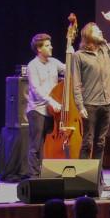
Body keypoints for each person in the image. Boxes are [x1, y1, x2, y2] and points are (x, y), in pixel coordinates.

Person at [73, 11, 110, 160]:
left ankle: (97, 174)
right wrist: (80, 106)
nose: (101, 32)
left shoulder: (107, 50)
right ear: (88, 35)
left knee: (100, 142)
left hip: (107, 103)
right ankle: (83, 174)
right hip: (90, 105)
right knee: (87, 142)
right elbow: (76, 83)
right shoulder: (79, 55)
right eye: (97, 30)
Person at [24, 33, 66, 178]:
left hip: (52, 110)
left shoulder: (53, 62)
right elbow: (36, 90)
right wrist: (51, 101)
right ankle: (34, 175)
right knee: (36, 145)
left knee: (49, 144)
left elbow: (68, 69)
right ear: (39, 49)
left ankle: (48, 172)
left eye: (50, 44)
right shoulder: (32, 66)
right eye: (47, 45)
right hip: (37, 110)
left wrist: (72, 54)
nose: (51, 47)